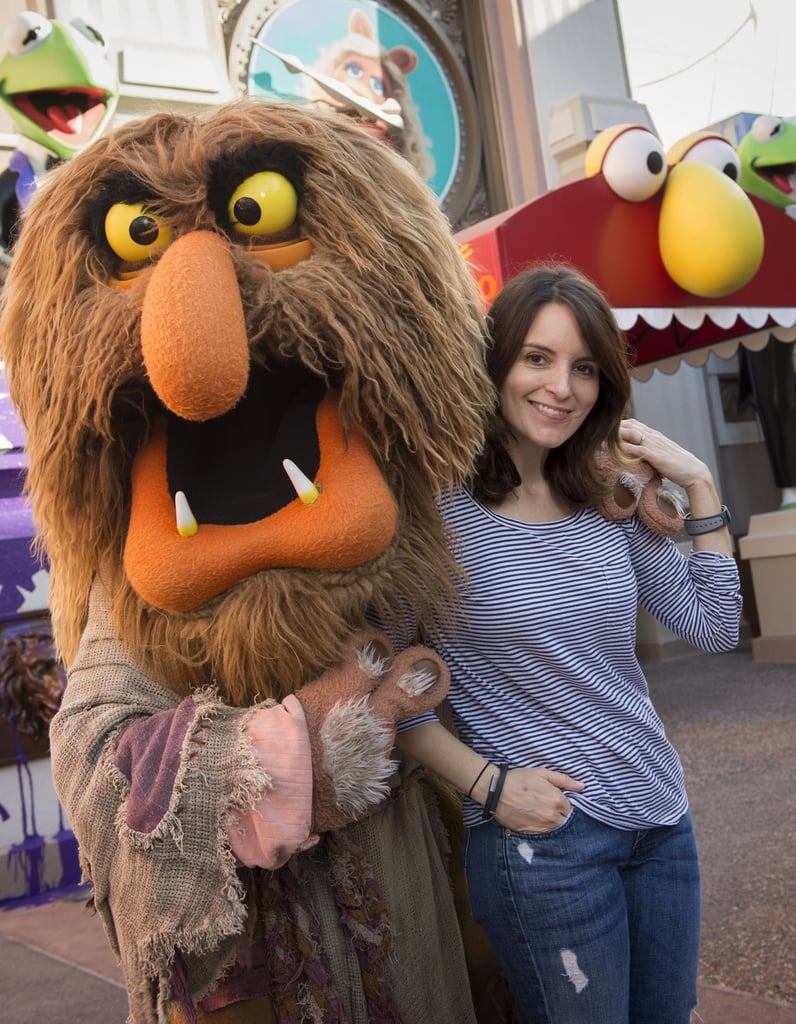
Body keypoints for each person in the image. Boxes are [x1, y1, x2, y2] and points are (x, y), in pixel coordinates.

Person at [396, 263, 742, 1024]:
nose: (561, 387)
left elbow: (713, 628)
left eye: (584, 367)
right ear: (495, 365)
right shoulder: (432, 517)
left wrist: (702, 488)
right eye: (537, 358)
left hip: (660, 820)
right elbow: (383, 689)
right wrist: (487, 785)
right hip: (546, 843)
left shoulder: (607, 495)